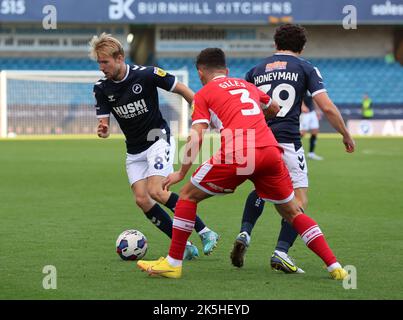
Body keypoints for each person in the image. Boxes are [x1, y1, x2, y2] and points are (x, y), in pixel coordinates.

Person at [137, 47, 349, 280]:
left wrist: (181, 171)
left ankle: (173, 263)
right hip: (270, 150)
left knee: (187, 196)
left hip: (239, 151)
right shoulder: (247, 86)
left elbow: (197, 135)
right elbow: (275, 108)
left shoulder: (204, 93)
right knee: (292, 211)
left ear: (200, 73)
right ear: (226, 71)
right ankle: (335, 267)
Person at [230, 24, 355, 273]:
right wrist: (345, 133)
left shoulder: (255, 70)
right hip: (286, 140)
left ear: (275, 44)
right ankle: (281, 251)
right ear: (302, 46)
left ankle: (245, 231)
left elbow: (243, 107)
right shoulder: (305, 68)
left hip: (257, 140)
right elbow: (327, 107)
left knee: (262, 189)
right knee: (299, 199)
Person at [89, 33, 219, 260]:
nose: (102, 67)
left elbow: (181, 89)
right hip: (134, 149)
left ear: (119, 58)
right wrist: (103, 130)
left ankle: (206, 232)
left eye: (105, 62)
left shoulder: (147, 74)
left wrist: (199, 110)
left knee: (156, 191)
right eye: (99, 62)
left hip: (158, 139)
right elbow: (104, 124)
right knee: (142, 199)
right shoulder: (101, 88)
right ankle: (185, 245)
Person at [300, 91, 324, 160]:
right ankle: (292, 148)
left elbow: (314, 98)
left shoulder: (311, 85)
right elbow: (299, 95)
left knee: (315, 131)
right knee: (302, 133)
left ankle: (311, 153)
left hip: (312, 112)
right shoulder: (303, 84)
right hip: (305, 113)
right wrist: (302, 106)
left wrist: (317, 110)